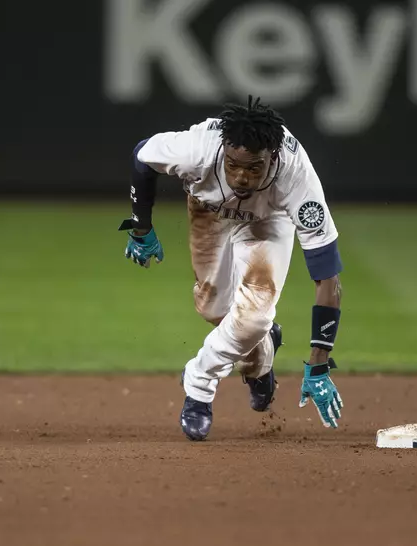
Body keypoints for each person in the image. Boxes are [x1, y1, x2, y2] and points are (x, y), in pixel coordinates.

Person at [119, 96, 344, 441]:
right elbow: (142, 155)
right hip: (208, 213)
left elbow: (327, 275)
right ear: (223, 148)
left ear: (273, 156)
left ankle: (199, 383)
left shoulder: (297, 177)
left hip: (267, 223)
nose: (241, 176)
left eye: (254, 167)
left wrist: (318, 360)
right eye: (234, 165)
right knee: (217, 311)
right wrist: (140, 227)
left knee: (252, 317)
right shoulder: (195, 149)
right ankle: (262, 359)